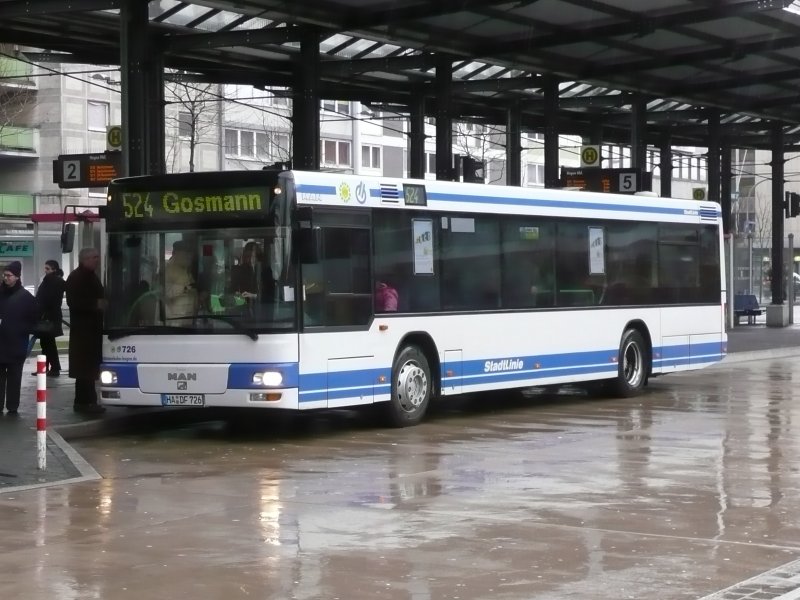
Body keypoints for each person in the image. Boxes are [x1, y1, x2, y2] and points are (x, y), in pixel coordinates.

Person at [66, 248, 106, 415]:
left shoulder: (89, 275)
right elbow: (73, 302)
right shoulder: (77, 277)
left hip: (89, 330)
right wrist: (96, 304)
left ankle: (84, 401)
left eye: (97, 257)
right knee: (86, 370)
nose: (97, 260)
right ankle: (87, 402)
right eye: (94, 257)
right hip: (84, 331)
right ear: (85, 259)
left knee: (86, 370)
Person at [0, 261, 37, 415]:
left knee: (15, 377)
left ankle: (13, 406)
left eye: (9, 275)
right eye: (4, 275)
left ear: (16, 277)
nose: (5, 278)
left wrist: (20, 328)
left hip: (17, 343)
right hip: (1, 342)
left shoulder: (26, 297)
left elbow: (34, 320)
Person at [31, 259, 65, 377]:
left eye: (47, 269)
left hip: (49, 318)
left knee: (48, 343)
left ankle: (54, 368)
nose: (45, 271)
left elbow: (48, 299)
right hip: (47, 317)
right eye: (45, 268)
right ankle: (46, 367)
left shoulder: (55, 282)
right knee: (46, 343)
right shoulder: (49, 281)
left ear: (54, 269)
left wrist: (40, 310)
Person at [163, 240, 198, 320]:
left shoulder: (186, 271)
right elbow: (166, 295)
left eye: (190, 254)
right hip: (174, 321)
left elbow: (192, 291)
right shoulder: (167, 271)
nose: (189, 257)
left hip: (187, 319)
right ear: (174, 253)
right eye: (186, 254)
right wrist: (185, 288)